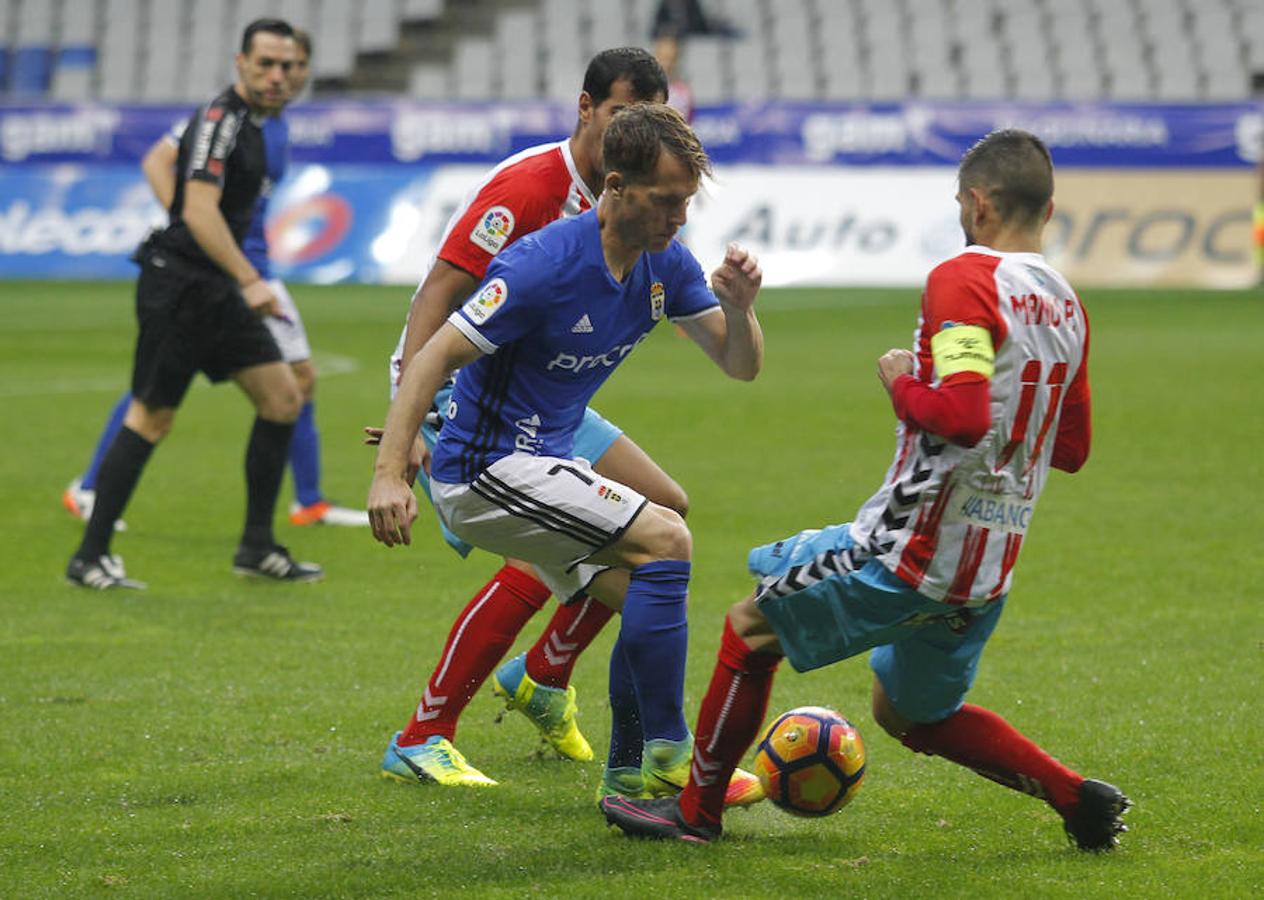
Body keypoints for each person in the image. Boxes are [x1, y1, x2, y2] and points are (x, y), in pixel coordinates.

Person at [600, 129, 1132, 851]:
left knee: (750, 628)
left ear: (978, 203)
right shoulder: (1068, 307)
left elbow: (964, 416)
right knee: (910, 714)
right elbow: (1072, 449)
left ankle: (695, 814)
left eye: (957, 202)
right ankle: (1078, 799)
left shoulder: (964, 280)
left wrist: (902, 382)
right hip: (987, 569)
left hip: (911, 549)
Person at [369, 103, 766, 808]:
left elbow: (740, 367)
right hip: (485, 470)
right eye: (666, 202)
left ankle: (627, 773)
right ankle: (675, 757)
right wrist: (391, 473)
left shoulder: (664, 263)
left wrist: (740, 312)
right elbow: (432, 354)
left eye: (686, 204)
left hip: (546, 459)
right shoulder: (542, 263)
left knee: (646, 588)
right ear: (615, 187)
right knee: (668, 537)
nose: (679, 219)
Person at [62, 30, 368, 532]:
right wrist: (193, 225)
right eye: (272, 65)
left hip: (248, 271)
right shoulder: (225, 119)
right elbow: (158, 161)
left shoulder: (274, 124)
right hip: (228, 273)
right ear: (245, 63)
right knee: (160, 393)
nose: (282, 76)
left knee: (291, 381)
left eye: (293, 67)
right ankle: (91, 489)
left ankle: (300, 507)